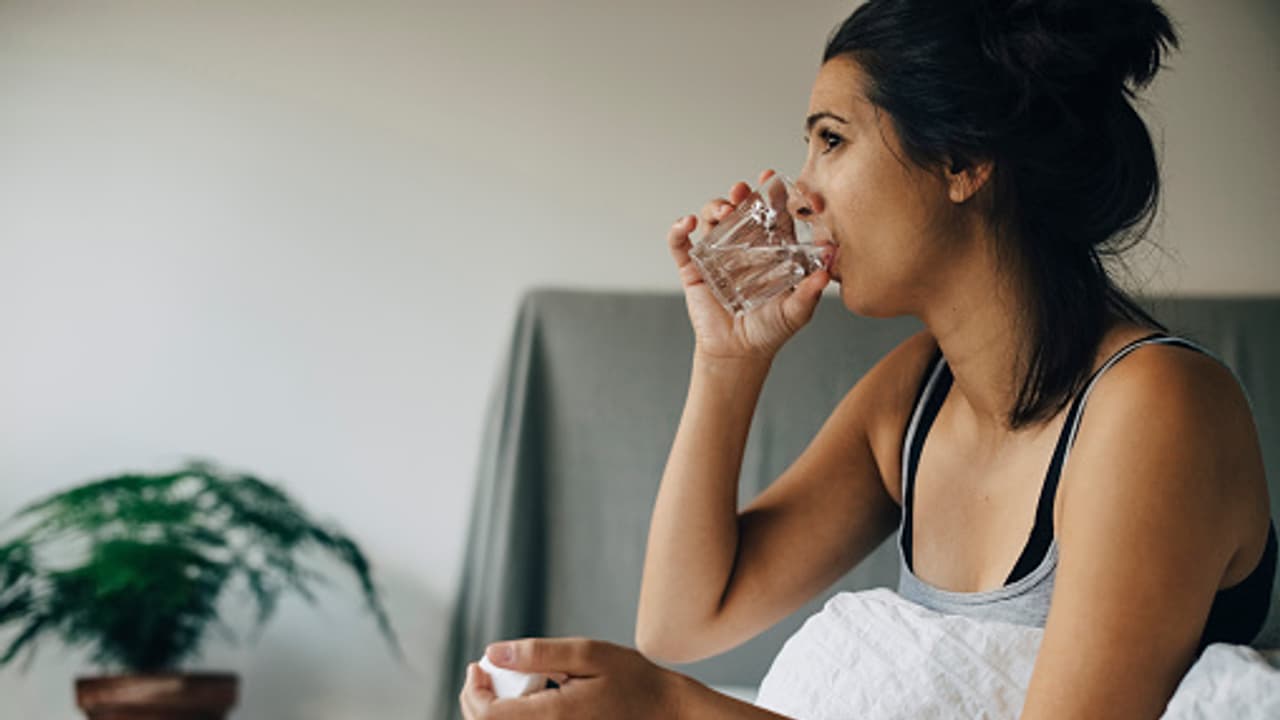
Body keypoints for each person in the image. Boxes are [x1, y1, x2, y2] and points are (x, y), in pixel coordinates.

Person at [459, 0, 1276, 717]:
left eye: (832, 139)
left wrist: (676, 712)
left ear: (963, 162)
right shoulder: (916, 396)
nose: (801, 191)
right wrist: (727, 359)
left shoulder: (1157, 408)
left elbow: (672, 669)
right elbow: (682, 619)